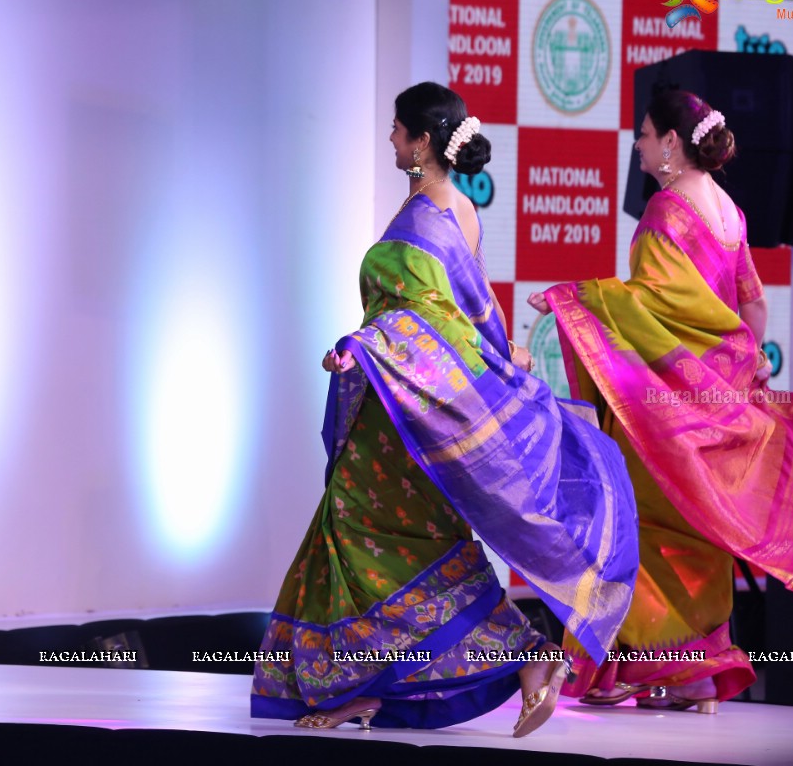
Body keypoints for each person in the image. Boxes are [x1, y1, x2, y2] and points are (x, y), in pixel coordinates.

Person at [251, 82, 639, 737]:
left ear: (422, 141)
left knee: (357, 534)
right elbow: (471, 316)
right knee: (418, 538)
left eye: (398, 132)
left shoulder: (425, 215)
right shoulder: (458, 209)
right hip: (422, 403)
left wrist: (362, 346)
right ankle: (418, 682)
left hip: (400, 406)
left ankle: (426, 674)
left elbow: (425, 319)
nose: (391, 141)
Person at [529, 89, 793, 713]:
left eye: (642, 134)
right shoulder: (731, 213)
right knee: (701, 530)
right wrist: (734, 382)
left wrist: (575, 298)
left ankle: (657, 676)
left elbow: (650, 304)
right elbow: (754, 306)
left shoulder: (667, 210)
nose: (636, 145)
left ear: (670, 142)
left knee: (655, 529)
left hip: (668, 409)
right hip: (716, 407)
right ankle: (692, 679)